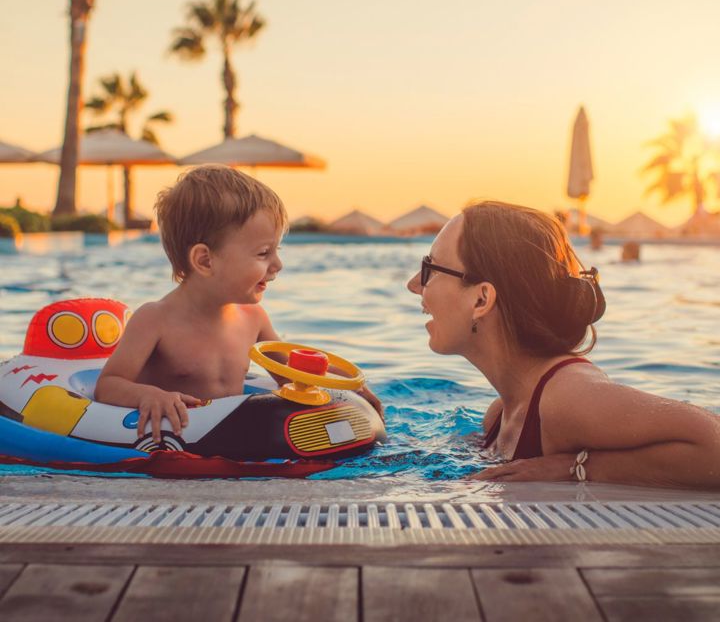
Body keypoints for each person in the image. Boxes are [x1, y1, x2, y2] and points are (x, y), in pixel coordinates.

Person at [407, 200, 720, 489]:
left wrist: (578, 468)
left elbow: (714, 443)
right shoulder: (500, 415)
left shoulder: (564, 398)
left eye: (430, 269)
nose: (414, 285)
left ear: (481, 299)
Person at [96, 165, 381, 443]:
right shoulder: (155, 319)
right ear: (205, 260)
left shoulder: (254, 318)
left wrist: (349, 387)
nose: (278, 265)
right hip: (183, 445)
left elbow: (291, 376)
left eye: (276, 250)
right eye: (263, 253)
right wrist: (149, 395)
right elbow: (108, 385)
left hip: (234, 441)